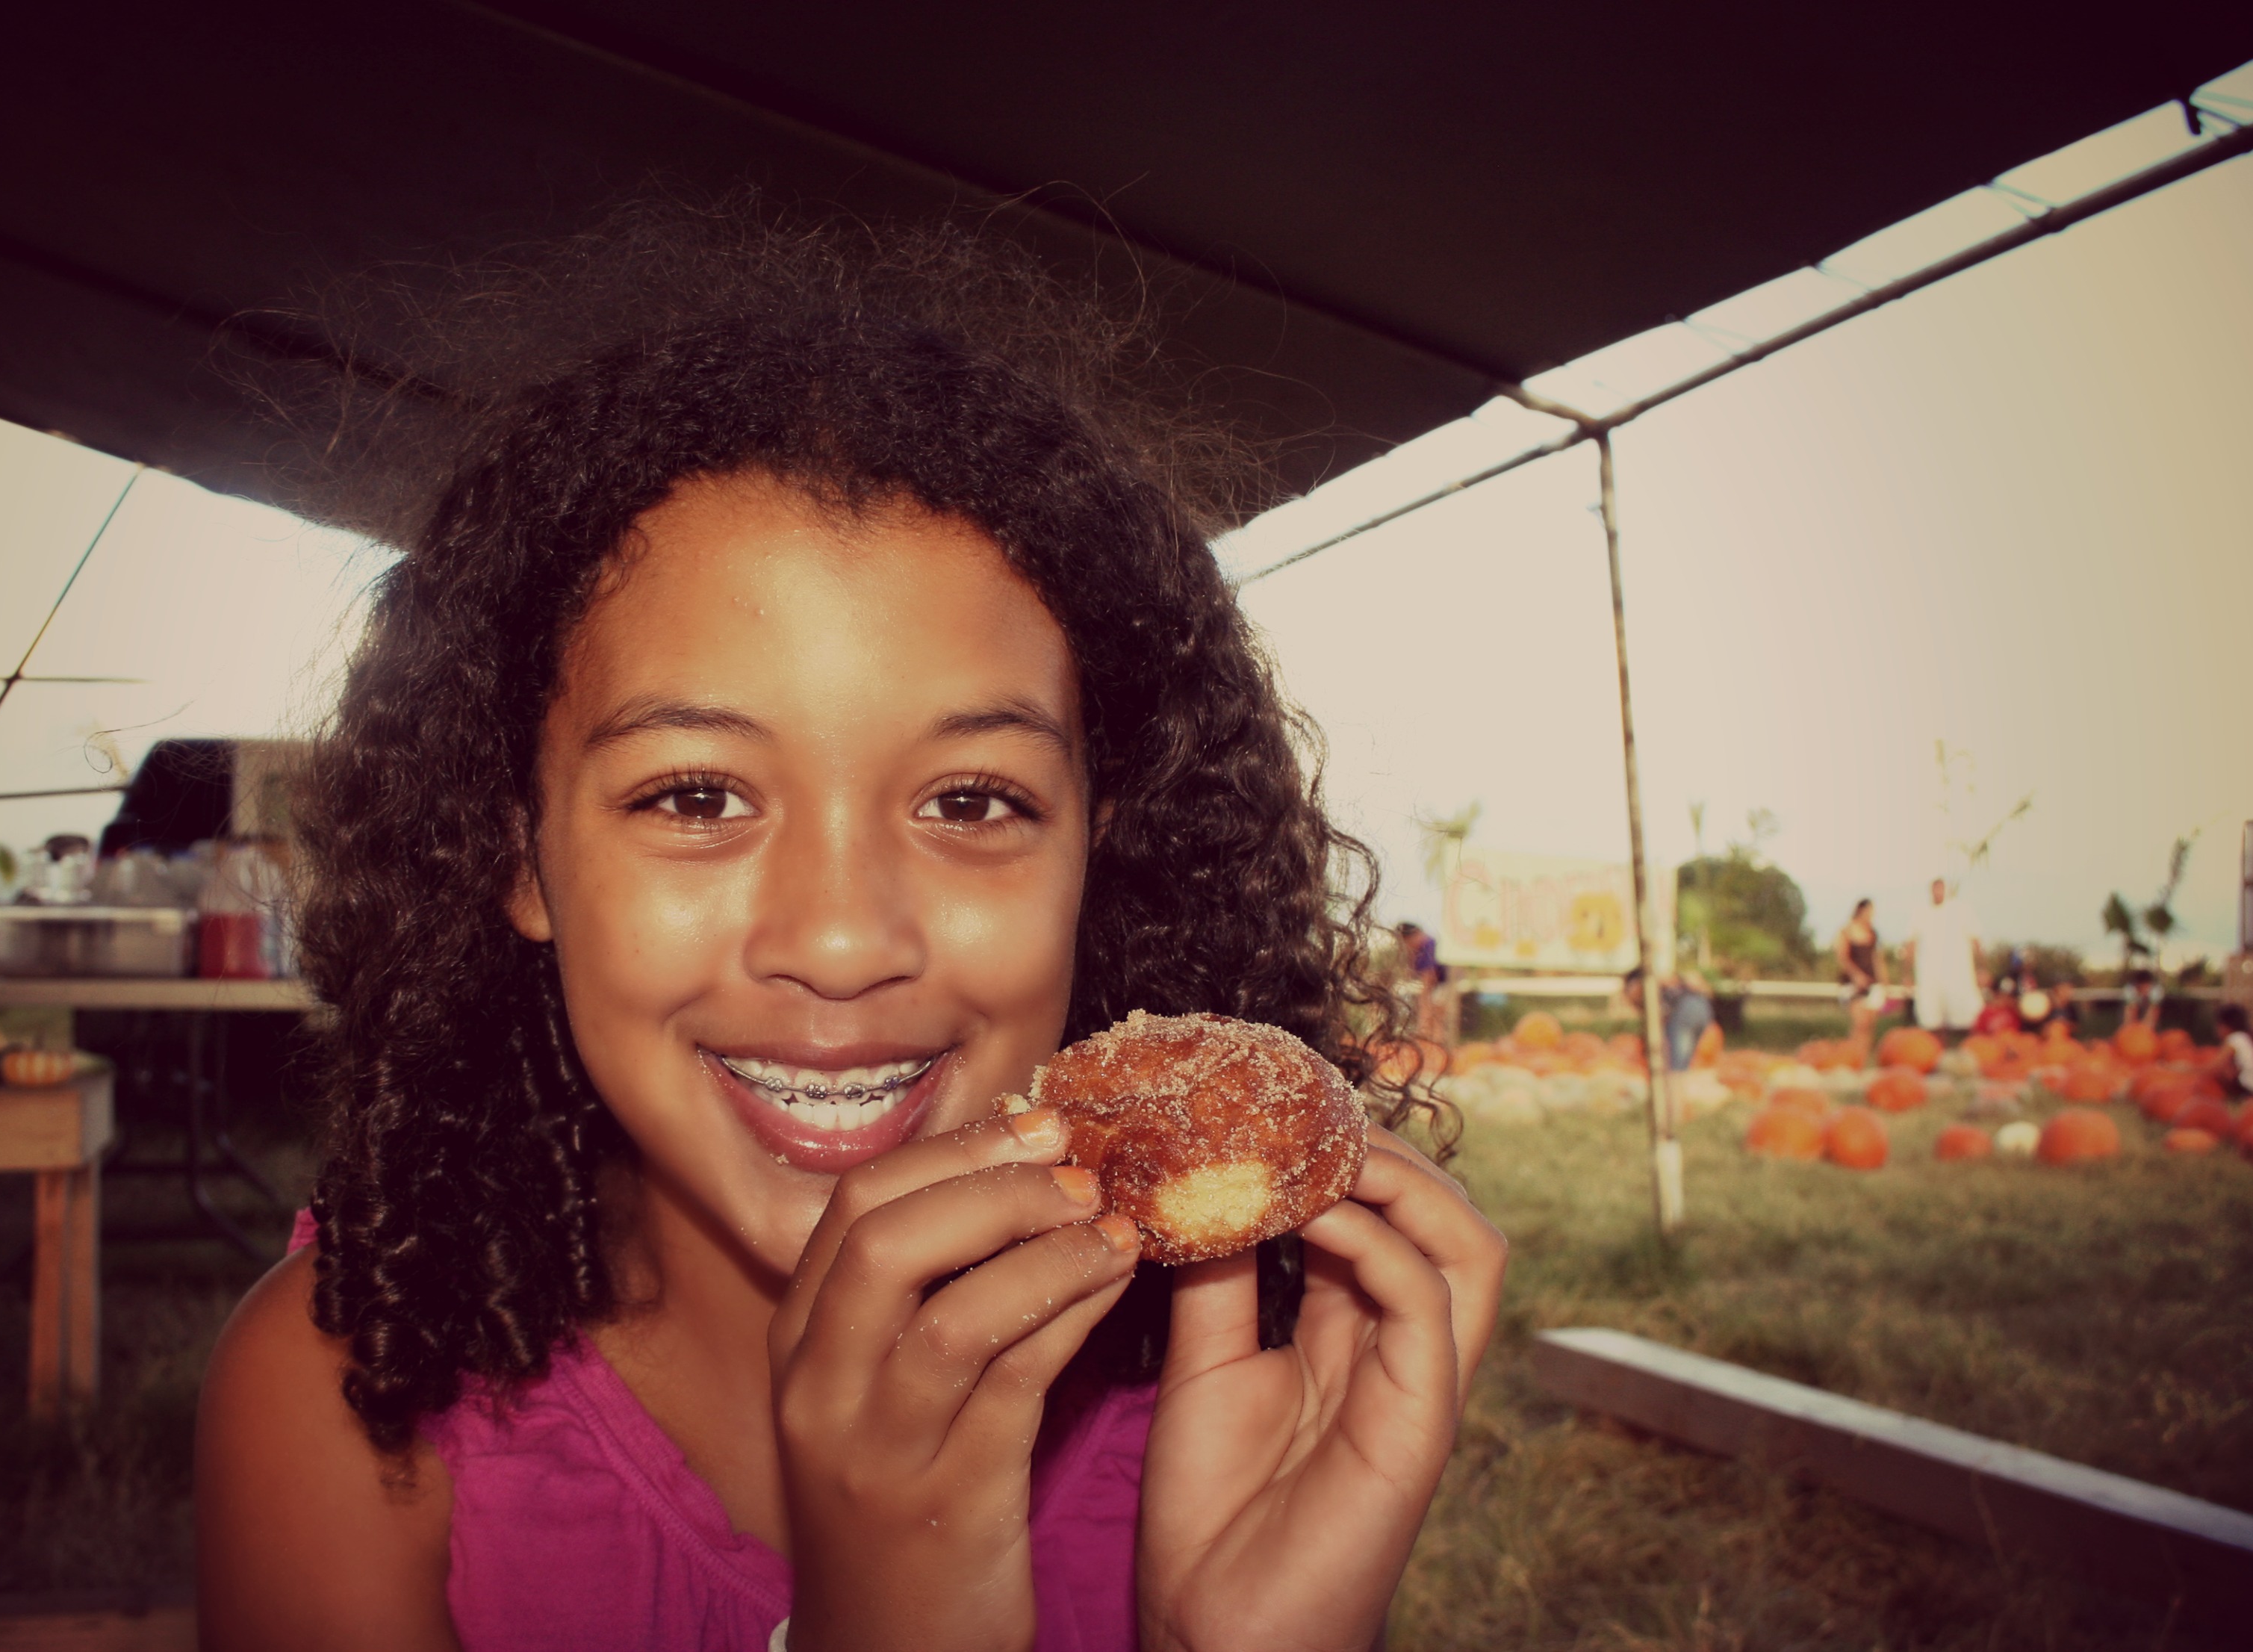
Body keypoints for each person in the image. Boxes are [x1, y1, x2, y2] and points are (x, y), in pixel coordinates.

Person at [194, 208, 1507, 1652]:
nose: (837, 942)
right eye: (695, 795)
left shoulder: (1235, 1405)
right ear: (518, 854)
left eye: (971, 799)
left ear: (1102, 847)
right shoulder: (346, 1408)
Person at [1904, 878, 1984, 1034]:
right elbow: (1911, 945)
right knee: (1932, 1022)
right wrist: (1907, 974)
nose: (1938, 892)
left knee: (1967, 1020)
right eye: (1935, 888)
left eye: (1941, 888)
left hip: (1959, 975)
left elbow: (1976, 942)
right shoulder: (1920, 913)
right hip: (1930, 977)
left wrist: (1982, 969)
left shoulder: (1962, 911)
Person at [1623, 966, 1716, 1072]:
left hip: (1685, 1009)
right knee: (1685, 1061)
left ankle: (1675, 1079)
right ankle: (1680, 1078)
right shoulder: (1666, 985)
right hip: (1702, 1008)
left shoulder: (1651, 984)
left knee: (1676, 1064)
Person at [1834, 898, 1884, 1046]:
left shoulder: (1873, 933)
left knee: (1869, 1025)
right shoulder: (1846, 931)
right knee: (1859, 1023)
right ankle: (1851, 1054)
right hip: (1853, 984)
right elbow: (1842, 957)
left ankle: (1863, 1055)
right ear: (1860, 911)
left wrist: (1884, 980)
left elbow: (1877, 958)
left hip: (1872, 983)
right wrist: (1856, 975)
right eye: (1869, 912)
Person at [1394, 919, 1446, 1044]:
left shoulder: (1428, 945)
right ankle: (1431, 1040)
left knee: (1433, 1011)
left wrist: (1424, 999)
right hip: (1439, 985)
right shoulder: (1422, 948)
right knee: (1430, 1010)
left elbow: (1429, 977)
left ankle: (1432, 1042)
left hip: (1444, 984)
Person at [2219, 1004, 2253, 1102]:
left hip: (2249, 1088)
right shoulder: (2246, 1037)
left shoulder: (2235, 1038)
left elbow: (2215, 1066)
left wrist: (2189, 1070)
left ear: (2225, 1026)